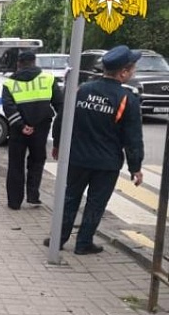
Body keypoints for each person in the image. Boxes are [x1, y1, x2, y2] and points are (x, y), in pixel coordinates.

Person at [45, 45, 144, 255]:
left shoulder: (83, 90)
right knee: (96, 203)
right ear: (123, 72)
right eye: (133, 69)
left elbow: (62, 119)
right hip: (106, 164)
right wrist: (136, 167)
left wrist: (57, 144)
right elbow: (132, 138)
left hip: (77, 158)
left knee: (70, 197)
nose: (133, 72)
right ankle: (83, 244)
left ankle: (58, 239)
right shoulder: (127, 99)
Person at [2, 50, 63, 210]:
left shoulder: (10, 83)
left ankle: (14, 202)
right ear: (34, 62)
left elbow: (8, 107)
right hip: (41, 128)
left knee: (16, 164)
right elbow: (60, 105)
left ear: (19, 64)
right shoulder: (48, 79)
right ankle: (33, 196)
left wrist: (22, 126)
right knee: (37, 161)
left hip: (18, 130)